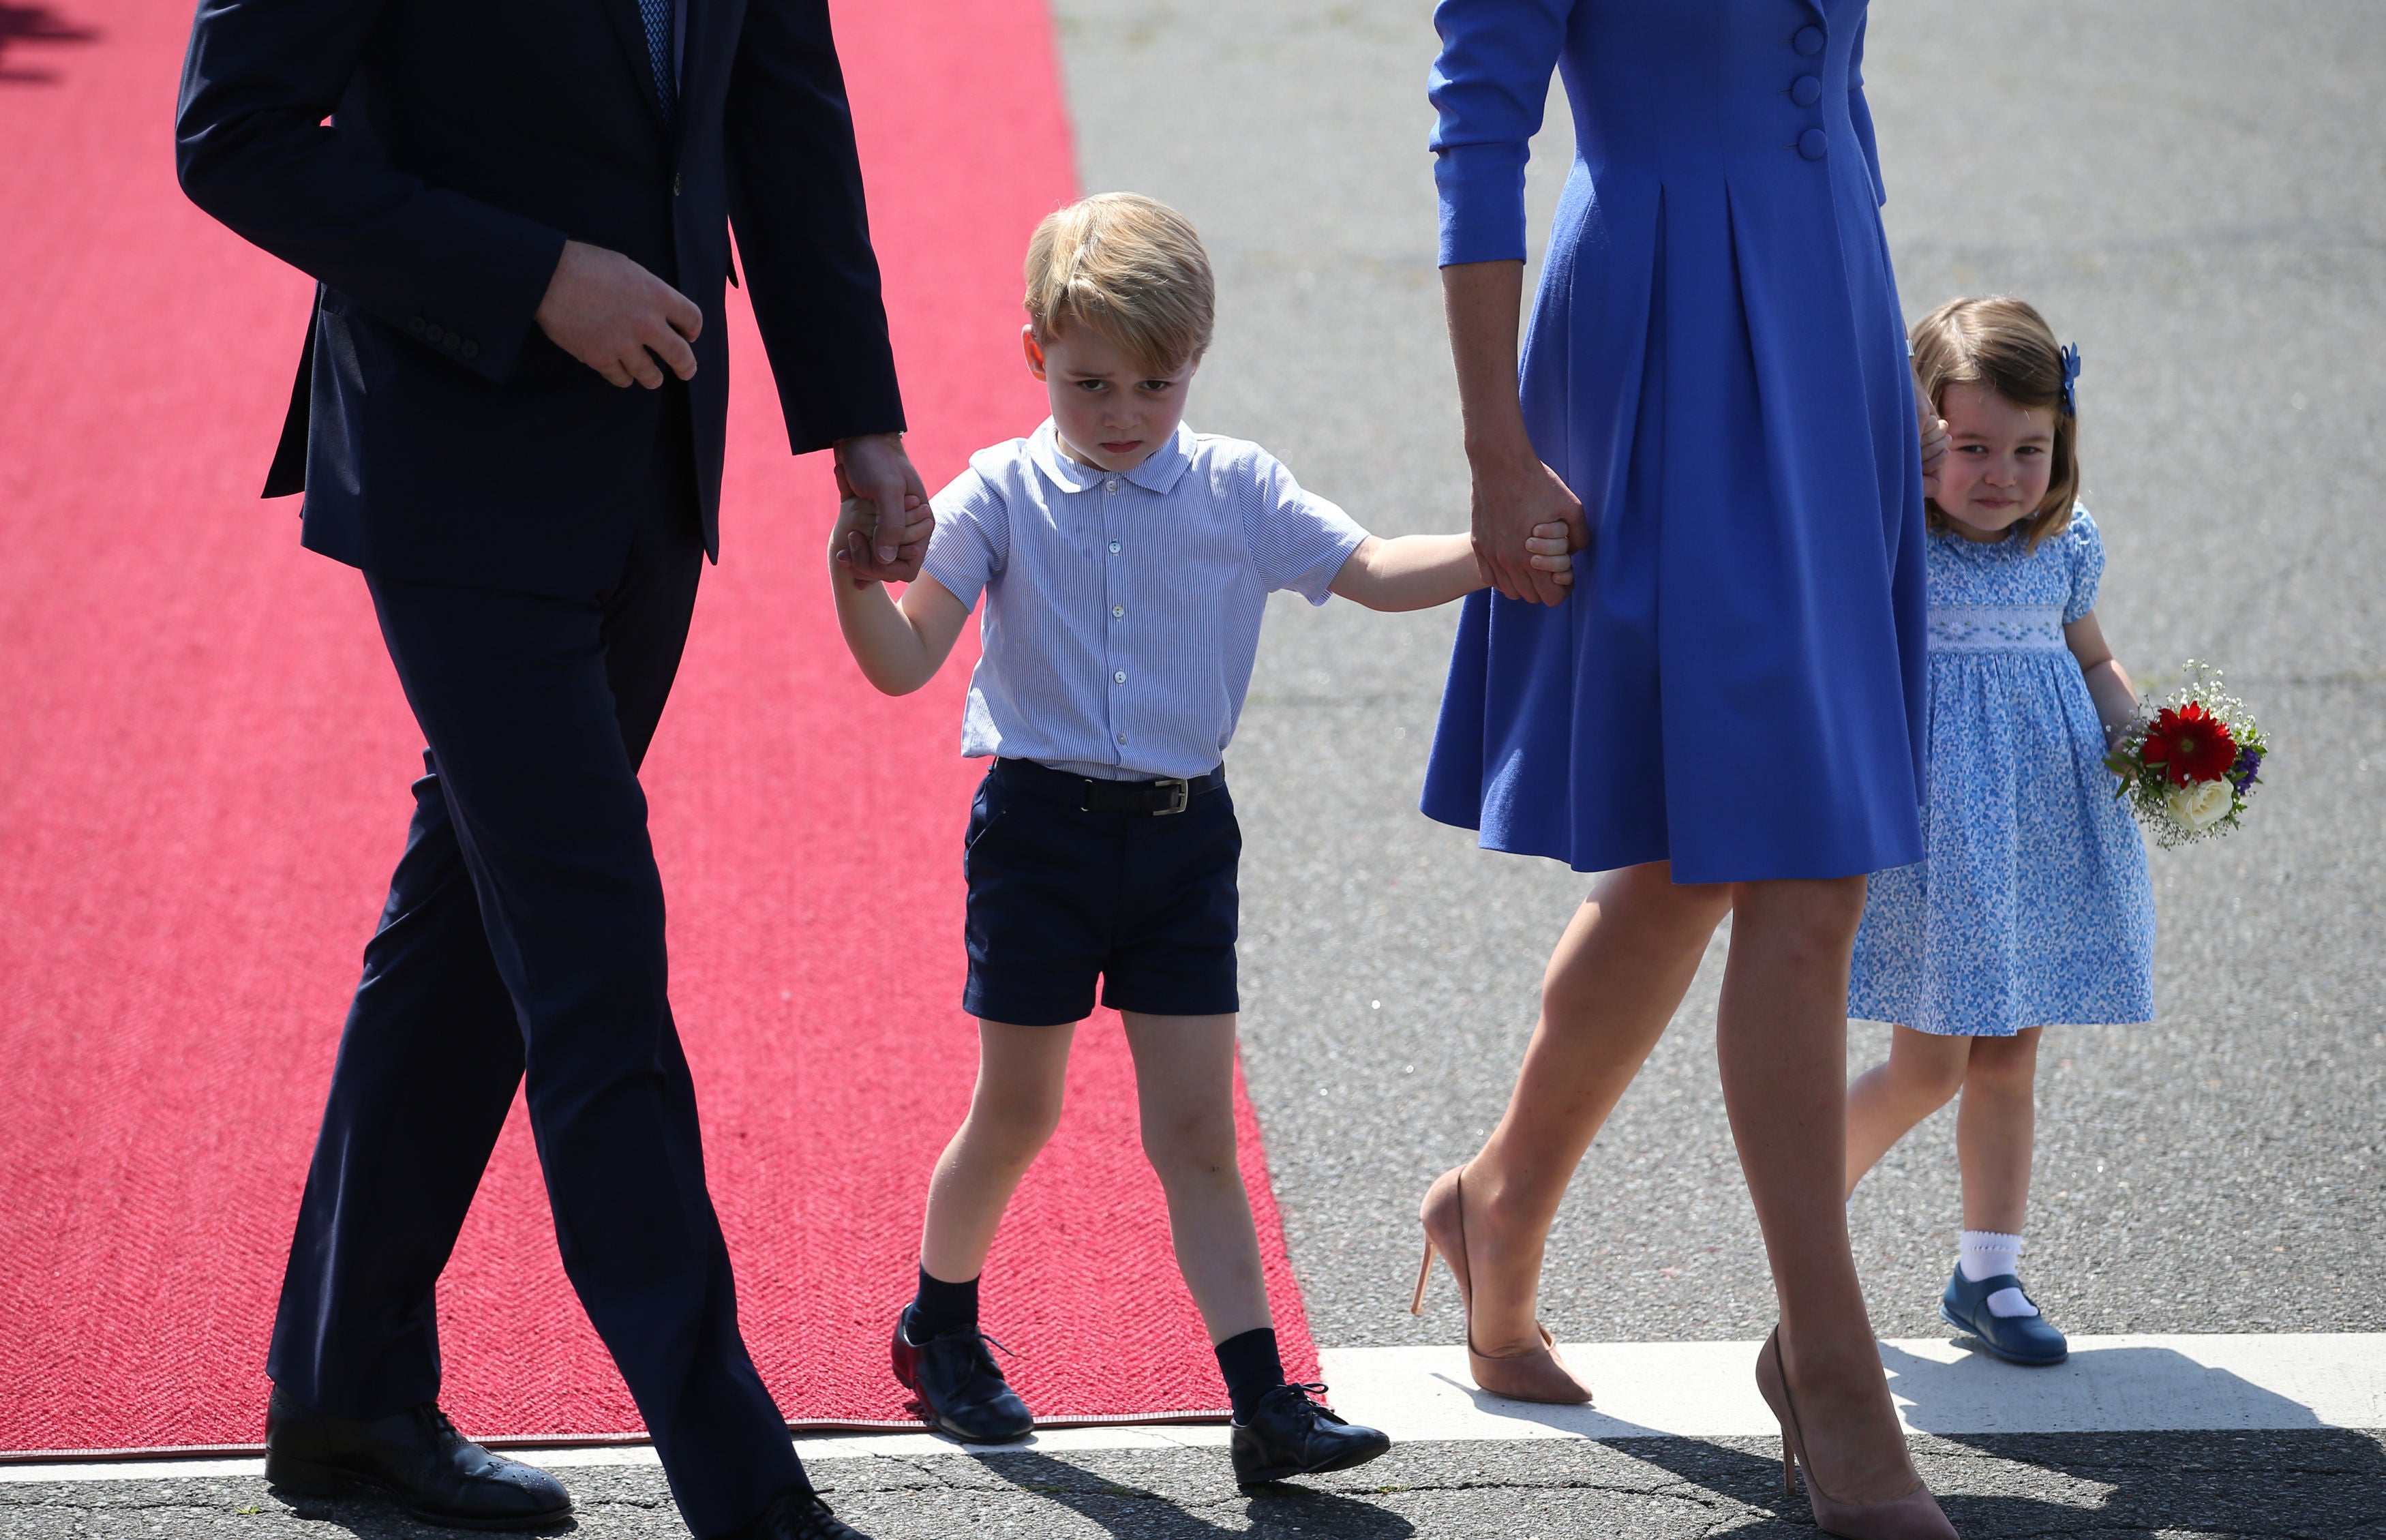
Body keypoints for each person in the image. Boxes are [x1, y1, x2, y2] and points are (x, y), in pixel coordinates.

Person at [174, 0, 929, 1533]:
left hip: (652, 466)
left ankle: (346, 1393)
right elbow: (232, 139)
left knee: (466, 932)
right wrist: (533, 280)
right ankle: (747, 1488)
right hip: (453, 459)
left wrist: (857, 419)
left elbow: (782, 104)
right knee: (595, 963)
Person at [826, 192, 1566, 1485]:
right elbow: (905, 663)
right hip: (1039, 837)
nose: (1123, 412)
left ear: (1196, 367)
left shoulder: (1234, 485)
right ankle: (939, 1328)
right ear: (1034, 355)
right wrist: (854, 581)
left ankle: (1262, 1405)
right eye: (1090, 380)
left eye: (1156, 384)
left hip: (1182, 844)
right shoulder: (1000, 491)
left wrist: (1497, 548)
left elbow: (1376, 567)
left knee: (1198, 1137)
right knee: (1018, 1109)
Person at [1409, 2, 1961, 1535]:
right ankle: (1831, 1371)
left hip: (1827, 311)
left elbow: (1827, 83)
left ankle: (1495, 1199)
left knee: (1693, 860)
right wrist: (1493, 447)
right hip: (1658, 334)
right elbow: (1477, 127)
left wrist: (1873, 348)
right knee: (1773, 860)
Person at [1843, 298, 2155, 1369]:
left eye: (2030, 449)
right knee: (1930, 1064)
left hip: (2039, 827)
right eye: (1970, 448)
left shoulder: (2064, 544)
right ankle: (1803, 1215)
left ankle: (1989, 1269)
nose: (2002, 475)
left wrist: (2143, 733)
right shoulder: (1894, 547)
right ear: (1918, 442)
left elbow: (2093, 657)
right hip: (1940, 836)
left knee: (2011, 1056)